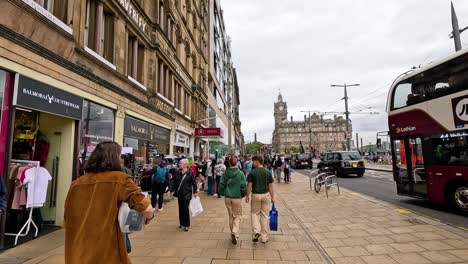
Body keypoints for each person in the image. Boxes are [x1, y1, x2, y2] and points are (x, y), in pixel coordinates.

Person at [65, 142, 154, 264]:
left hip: (77, 253)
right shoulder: (120, 179)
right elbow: (147, 209)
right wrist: (147, 218)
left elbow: (67, 218)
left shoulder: (76, 184)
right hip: (107, 253)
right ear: (114, 158)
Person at [245, 155, 274, 243]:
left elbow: (249, 185)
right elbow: (270, 186)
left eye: (253, 161)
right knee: (264, 216)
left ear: (257, 161)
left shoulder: (252, 172)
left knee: (254, 214)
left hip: (256, 195)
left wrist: (247, 196)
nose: (253, 163)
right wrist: (273, 197)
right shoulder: (267, 171)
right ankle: (264, 237)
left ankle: (256, 232)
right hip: (266, 195)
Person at [218, 156, 247, 245]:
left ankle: (232, 234)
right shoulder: (240, 173)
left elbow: (221, 184)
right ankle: (235, 231)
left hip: (227, 197)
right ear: (237, 163)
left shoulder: (225, 173)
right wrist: (243, 194)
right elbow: (243, 186)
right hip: (237, 197)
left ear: (229, 163)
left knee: (230, 216)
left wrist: (222, 193)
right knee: (237, 215)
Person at [171, 159, 198, 232]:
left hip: (187, 193)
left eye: (181, 163)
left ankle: (187, 225)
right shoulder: (177, 172)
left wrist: (195, 192)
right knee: (180, 208)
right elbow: (173, 181)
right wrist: (170, 190)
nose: (179, 164)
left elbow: (194, 183)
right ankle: (182, 223)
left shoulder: (190, 173)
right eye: (179, 163)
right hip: (179, 193)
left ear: (185, 165)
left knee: (185, 209)